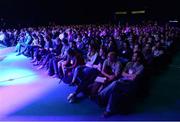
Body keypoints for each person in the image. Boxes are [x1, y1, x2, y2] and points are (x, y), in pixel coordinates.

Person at [99, 52, 144, 117]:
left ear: (139, 58)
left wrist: (128, 75)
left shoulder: (141, 67)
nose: (133, 57)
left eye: (135, 56)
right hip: (123, 81)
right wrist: (130, 75)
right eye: (133, 56)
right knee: (114, 90)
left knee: (115, 83)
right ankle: (108, 110)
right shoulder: (129, 64)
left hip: (131, 84)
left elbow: (134, 77)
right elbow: (123, 73)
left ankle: (100, 96)